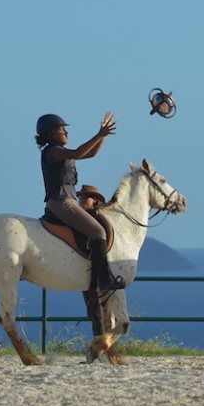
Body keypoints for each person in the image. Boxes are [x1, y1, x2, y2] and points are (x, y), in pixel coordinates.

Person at [35, 112, 124, 291]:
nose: (66, 132)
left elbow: (90, 154)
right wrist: (99, 134)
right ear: (51, 134)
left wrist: (103, 136)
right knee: (98, 232)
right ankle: (104, 280)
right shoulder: (53, 151)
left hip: (67, 200)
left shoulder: (60, 151)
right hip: (60, 202)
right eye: (62, 129)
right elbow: (79, 153)